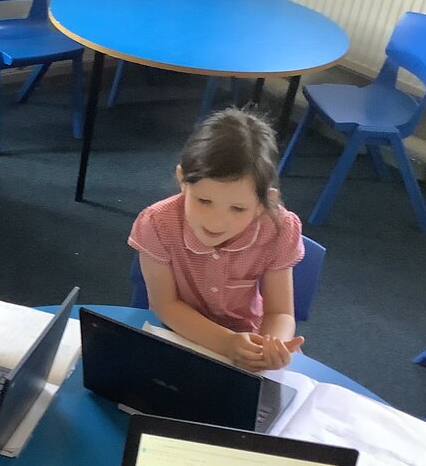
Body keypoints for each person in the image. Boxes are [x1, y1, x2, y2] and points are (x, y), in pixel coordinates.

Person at [129, 108, 305, 371]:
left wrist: (270, 346)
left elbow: (280, 312)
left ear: (263, 203)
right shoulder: (157, 223)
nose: (216, 222)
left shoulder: (279, 228)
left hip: (249, 339)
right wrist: (227, 343)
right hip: (179, 334)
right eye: (203, 201)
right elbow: (164, 304)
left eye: (238, 208)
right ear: (183, 181)